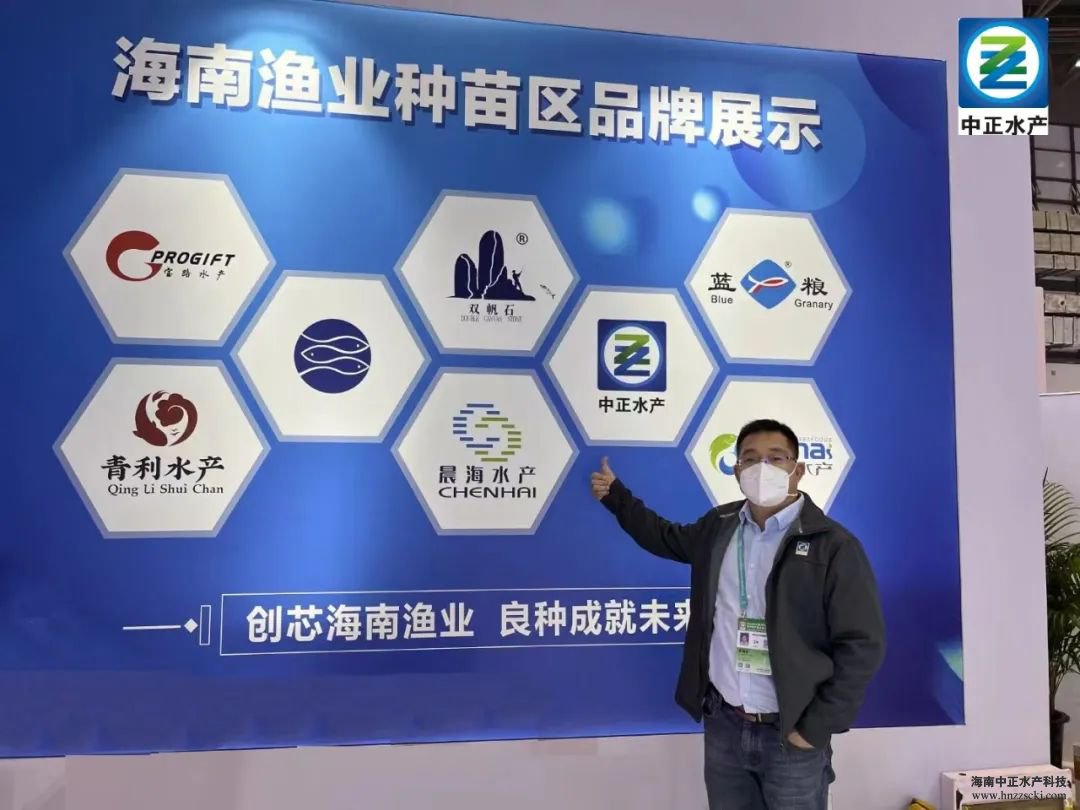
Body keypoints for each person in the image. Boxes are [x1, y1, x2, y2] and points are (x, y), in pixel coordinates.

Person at [590, 418, 885, 810]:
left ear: (798, 469)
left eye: (776, 458)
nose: (762, 468)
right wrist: (617, 497)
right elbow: (664, 537)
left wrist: (814, 728)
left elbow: (862, 644)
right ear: (736, 470)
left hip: (791, 734)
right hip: (725, 725)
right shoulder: (719, 525)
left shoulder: (833, 545)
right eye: (750, 458)